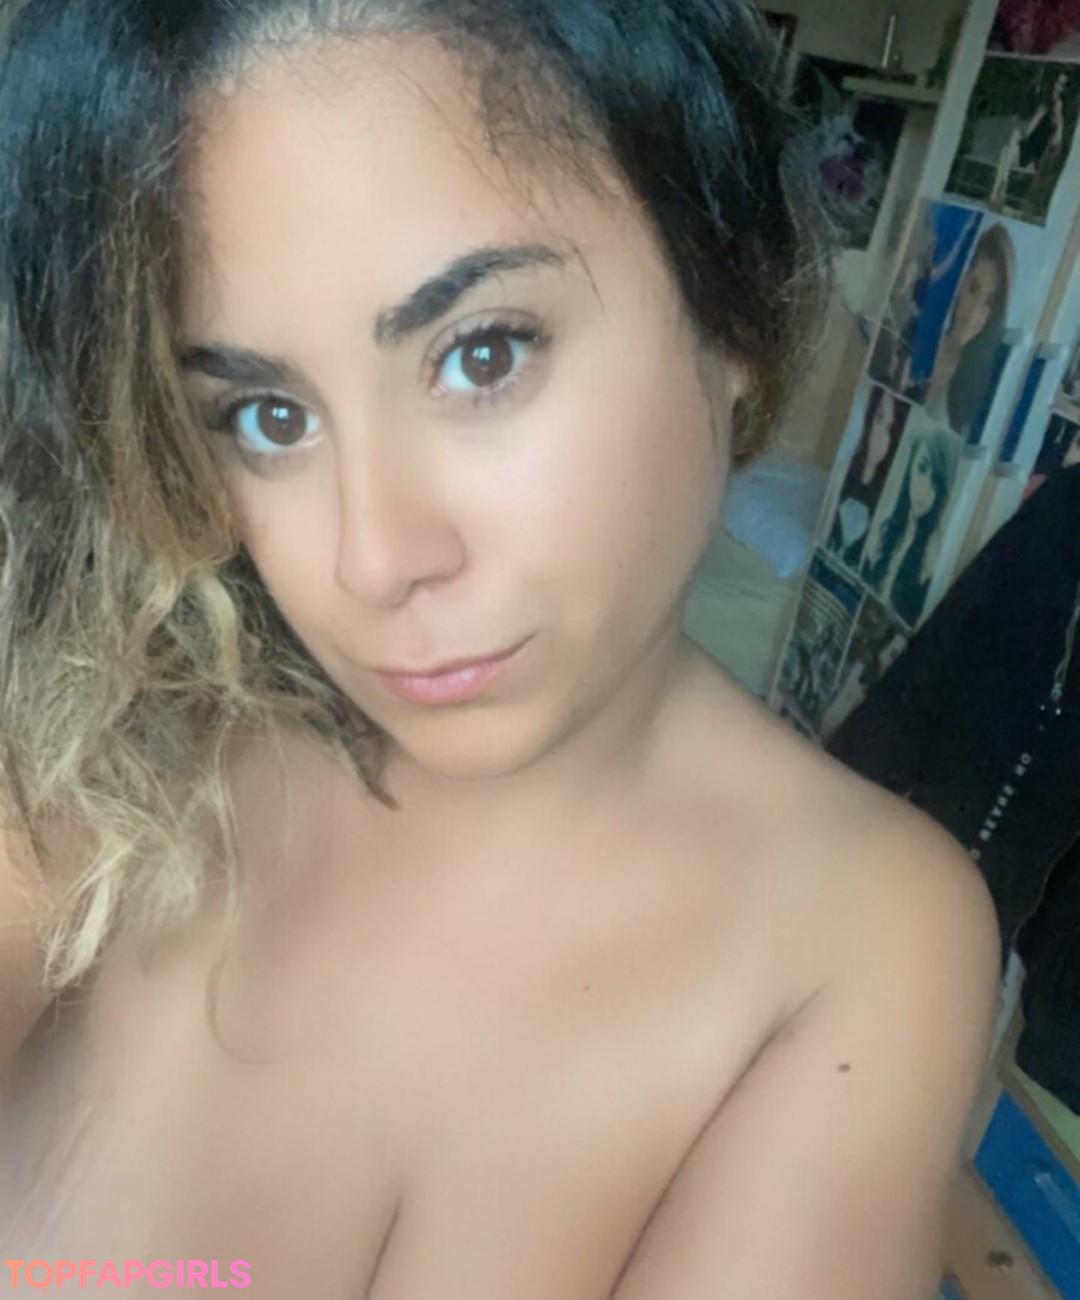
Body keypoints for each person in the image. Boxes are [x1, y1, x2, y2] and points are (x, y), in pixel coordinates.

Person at [0, 2, 999, 1295]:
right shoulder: (103, 725)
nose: (375, 558)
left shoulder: (860, 930)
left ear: (733, 316)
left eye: (482, 356)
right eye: (266, 416)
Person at [830, 465, 1080, 1109]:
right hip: (939, 828)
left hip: (1008, 901)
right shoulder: (1067, 506)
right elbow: (950, 643)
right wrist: (846, 791)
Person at [921, 225, 1014, 440]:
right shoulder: (919, 341)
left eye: (988, 302)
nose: (974, 313)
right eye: (973, 289)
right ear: (959, 282)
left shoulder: (978, 385)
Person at [862, 430, 956, 629]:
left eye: (935, 481)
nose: (925, 488)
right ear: (911, 468)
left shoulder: (929, 562)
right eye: (921, 469)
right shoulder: (883, 531)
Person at [827, 385, 909, 571]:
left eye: (889, 427)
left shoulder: (886, 496)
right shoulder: (842, 472)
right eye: (878, 419)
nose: (882, 437)